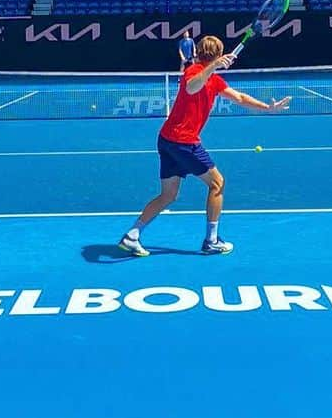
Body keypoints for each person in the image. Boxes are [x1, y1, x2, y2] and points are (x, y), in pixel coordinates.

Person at [119, 34, 290, 258]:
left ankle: (132, 236)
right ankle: (211, 241)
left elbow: (238, 97)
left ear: (199, 51)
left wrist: (267, 108)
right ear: (217, 55)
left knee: (168, 195)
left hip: (168, 140)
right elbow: (192, 87)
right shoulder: (192, 72)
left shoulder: (216, 81)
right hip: (182, 141)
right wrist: (213, 67)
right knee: (217, 183)